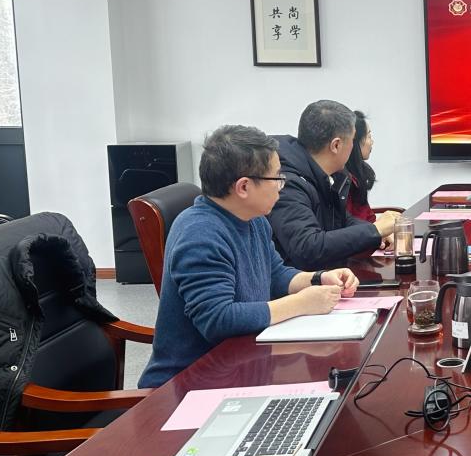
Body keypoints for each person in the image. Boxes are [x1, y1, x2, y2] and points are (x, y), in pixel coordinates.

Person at [140, 125, 359, 388]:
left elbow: (275, 274)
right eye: (276, 178)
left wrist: (318, 278)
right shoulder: (199, 234)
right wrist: (301, 303)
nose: (281, 186)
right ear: (243, 187)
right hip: (188, 383)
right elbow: (218, 319)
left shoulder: (253, 219)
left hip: (241, 362)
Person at [270, 99, 401, 270]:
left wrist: (376, 234)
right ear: (336, 145)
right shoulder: (287, 183)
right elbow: (307, 248)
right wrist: (375, 230)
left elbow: (342, 221)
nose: (353, 147)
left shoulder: (329, 174)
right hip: (300, 283)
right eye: (352, 140)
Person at [345, 110, 377, 223]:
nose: (372, 142)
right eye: (368, 136)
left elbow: (368, 216)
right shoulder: (343, 180)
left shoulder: (358, 172)